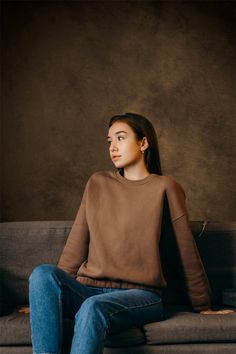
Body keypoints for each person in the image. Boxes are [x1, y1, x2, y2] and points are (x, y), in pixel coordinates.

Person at [26, 113, 232, 354]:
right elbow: (76, 243)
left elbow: (185, 248)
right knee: (42, 274)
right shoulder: (97, 183)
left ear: (143, 143)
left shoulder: (165, 187)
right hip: (89, 289)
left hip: (141, 296)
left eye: (121, 138)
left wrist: (203, 305)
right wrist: (45, 301)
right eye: (109, 141)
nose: (113, 147)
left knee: (93, 307)